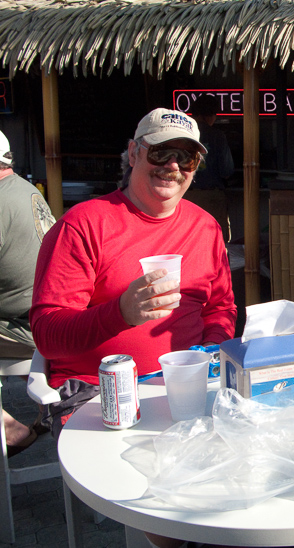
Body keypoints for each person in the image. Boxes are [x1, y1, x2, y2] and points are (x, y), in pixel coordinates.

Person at [30, 108, 237, 440]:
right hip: (95, 391)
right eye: (161, 152)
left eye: (186, 158)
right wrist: (121, 313)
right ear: (133, 153)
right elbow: (47, 336)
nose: (173, 166)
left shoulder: (206, 228)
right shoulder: (83, 225)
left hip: (187, 388)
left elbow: (220, 309)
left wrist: (212, 348)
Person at [0, 129, 56, 457]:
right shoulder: (23, 188)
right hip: (47, 320)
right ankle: (48, 407)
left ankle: (12, 431)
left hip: (29, 330)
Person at [185, 94, 235, 241]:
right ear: (211, 115)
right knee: (216, 241)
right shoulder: (217, 135)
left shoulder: (182, 135)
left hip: (184, 196)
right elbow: (226, 170)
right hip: (211, 197)